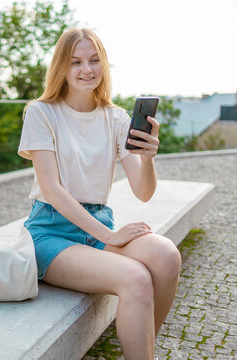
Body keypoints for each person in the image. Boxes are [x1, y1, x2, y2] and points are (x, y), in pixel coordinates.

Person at [17, 28, 181, 360]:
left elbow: (143, 191)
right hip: (51, 232)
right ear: (62, 67)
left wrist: (148, 159)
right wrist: (110, 234)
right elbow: (52, 189)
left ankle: (142, 350)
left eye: (94, 60)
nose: (86, 69)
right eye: (75, 62)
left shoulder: (117, 118)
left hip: (96, 228)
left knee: (166, 256)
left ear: (104, 65)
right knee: (135, 277)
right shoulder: (41, 112)